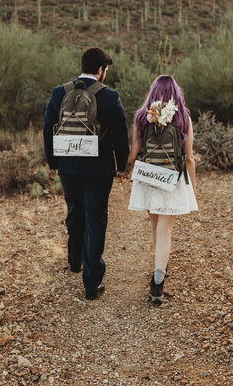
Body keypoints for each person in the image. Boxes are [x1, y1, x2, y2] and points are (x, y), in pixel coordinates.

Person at [43, 47, 129, 300]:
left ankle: (74, 260)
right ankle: (91, 282)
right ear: (101, 70)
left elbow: (48, 128)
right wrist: (121, 164)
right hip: (99, 169)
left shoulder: (60, 93)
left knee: (74, 210)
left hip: (68, 167)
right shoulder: (110, 97)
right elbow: (120, 135)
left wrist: (54, 161)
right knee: (96, 218)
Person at [127, 75, 198, 304]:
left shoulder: (141, 117)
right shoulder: (183, 118)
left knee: (156, 227)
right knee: (165, 231)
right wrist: (192, 188)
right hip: (173, 180)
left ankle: (160, 268)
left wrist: (125, 167)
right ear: (176, 93)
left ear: (153, 92)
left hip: (148, 178)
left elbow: (133, 154)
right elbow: (189, 158)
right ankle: (157, 283)